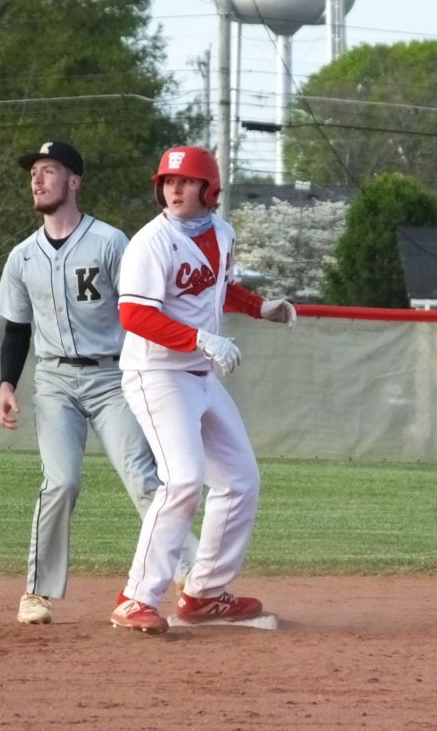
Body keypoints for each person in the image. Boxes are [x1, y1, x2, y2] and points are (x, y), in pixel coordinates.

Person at [0, 140, 197, 625]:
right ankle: (36, 593)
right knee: (61, 482)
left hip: (112, 375)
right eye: (34, 172)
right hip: (54, 381)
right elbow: (17, 329)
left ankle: (193, 573)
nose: (37, 179)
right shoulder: (22, 256)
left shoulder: (109, 242)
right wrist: (6, 384)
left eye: (48, 170)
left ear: (74, 181)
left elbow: (141, 308)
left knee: (143, 477)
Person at [109, 145, 296, 634]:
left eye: (186, 181)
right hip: (156, 374)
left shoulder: (222, 233)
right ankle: (135, 598)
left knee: (240, 479)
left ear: (208, 189)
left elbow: (217, 287)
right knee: (183, 480)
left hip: (199, 373)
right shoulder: (150, 242)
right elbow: (134, 315)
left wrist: (260, 307)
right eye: (168, 182)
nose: (174, 189)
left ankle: (205, 593)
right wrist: (200, 338)